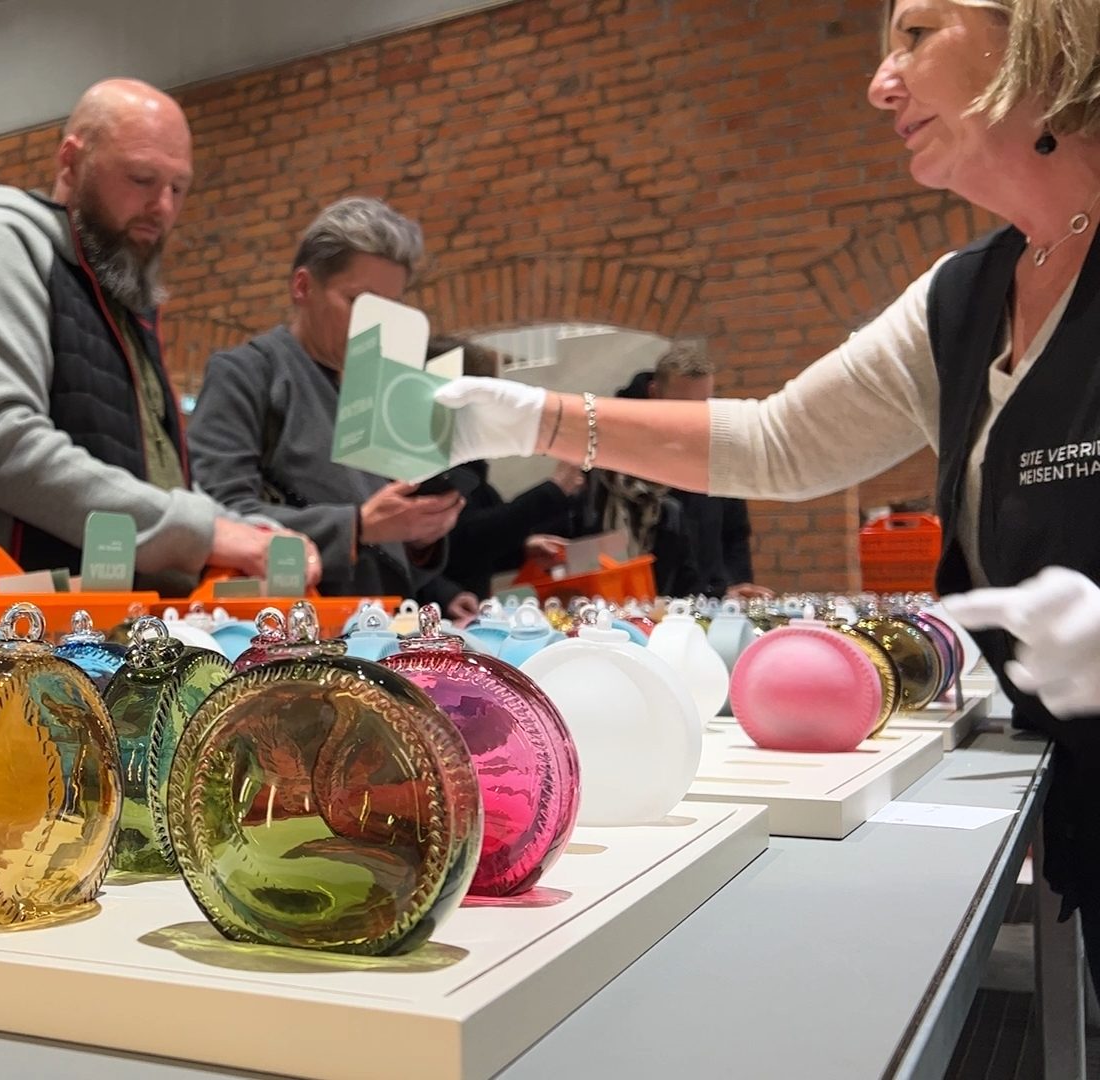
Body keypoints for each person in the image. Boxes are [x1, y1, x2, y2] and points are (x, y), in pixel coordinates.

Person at [433, 0, 1100, 988]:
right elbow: (780, 439)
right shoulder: (964, 297)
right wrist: (533, 419)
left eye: (916, 35)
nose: (881, 82)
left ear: (1042, 26)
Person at [0, 78, 320, 592]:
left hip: (121, 623)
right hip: (15, 633)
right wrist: (204, 532)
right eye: (142, 178)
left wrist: (248, 531)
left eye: (178, 188)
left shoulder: (117, 294)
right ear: (71, 161)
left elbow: (160, 485)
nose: (163, 207)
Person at [189, 197, 461, 603]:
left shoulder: (379, 389)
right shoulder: (246, 374)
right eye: (359, 303)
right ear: (303, 287)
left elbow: (388, 545)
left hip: (382, 625)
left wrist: (420, 533)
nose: (376, 325)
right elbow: (220, 514)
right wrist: (357, 527)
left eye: (391, 308)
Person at [570, 345, 767, 600]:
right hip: (626, 599)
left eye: (703, 406)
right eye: (682, 405)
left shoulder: (717, 444)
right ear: (654, 393)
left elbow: (734, 531)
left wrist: (734, 585)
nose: (693, 419)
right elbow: (588, 528)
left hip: (709, 599)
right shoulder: (610, 443)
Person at [421, 336, 583, 614]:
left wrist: (522, 549)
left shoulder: (467, 465)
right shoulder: (428, 464)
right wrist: (553, 491)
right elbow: (463, 540)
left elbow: (477, 549)